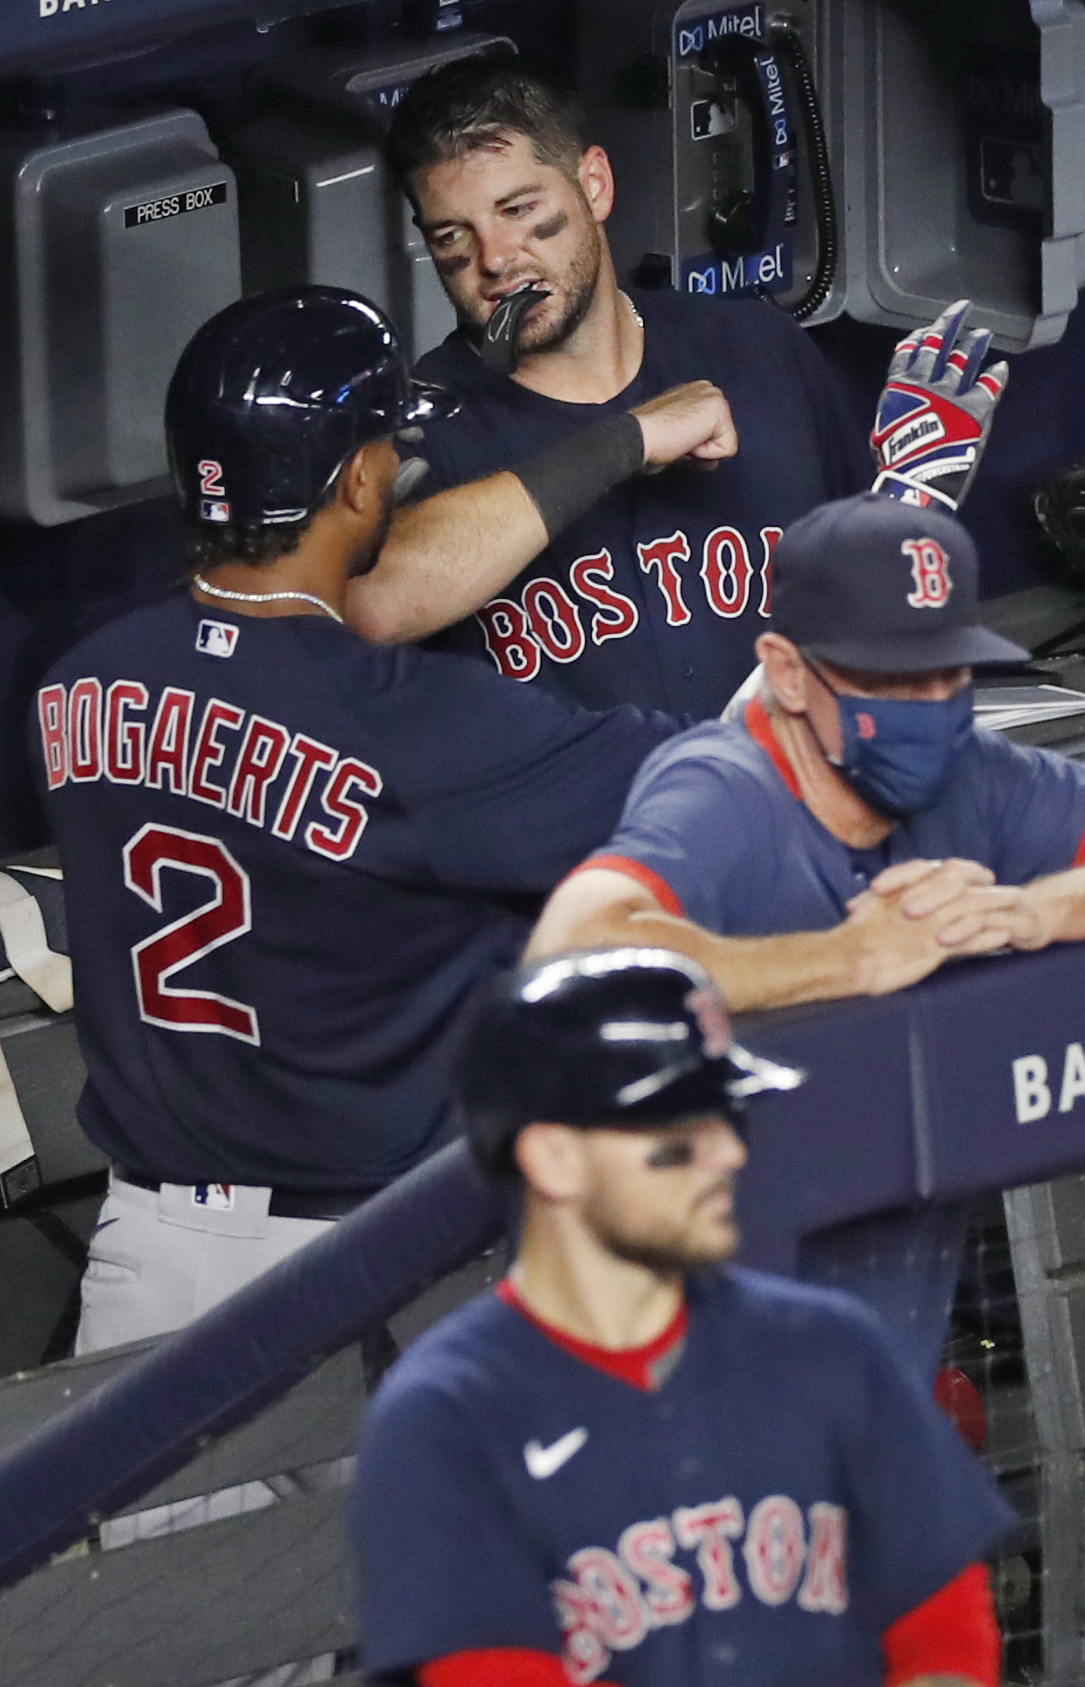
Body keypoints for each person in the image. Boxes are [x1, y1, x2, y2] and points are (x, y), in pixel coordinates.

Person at [35, 290, 684, 1351]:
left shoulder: (72, 693)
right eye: (386, 445)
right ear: (359, 481)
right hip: (351, 1279)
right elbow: (722, 778)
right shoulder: (416, 725)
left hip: (142, 1269)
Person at [527, 492, 1085, 1368]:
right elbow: (570, 953)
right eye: (891, 679)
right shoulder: (726, 790)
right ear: (788, 672)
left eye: (948, 674)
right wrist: (850, 958)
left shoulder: (970, 776)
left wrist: (1038, 908)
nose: (929, 705)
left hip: (875, 1364)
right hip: (680, 1376)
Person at [354, 945, 1011, 1687]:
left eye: (727, 1117)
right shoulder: (447, 1421)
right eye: (679, 1134)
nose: (729, 1151)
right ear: (555, 1160)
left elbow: (944, 1634)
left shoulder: (835, 1348)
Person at [385, 54, 992, 712]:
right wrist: (628, 440)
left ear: (593, 185)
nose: (495, 259)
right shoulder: (420, 420)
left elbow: (874, 621)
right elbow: (376, 601)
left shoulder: (757, 351)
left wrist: (910, 504)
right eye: (454, 236)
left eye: (519, 209)